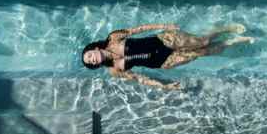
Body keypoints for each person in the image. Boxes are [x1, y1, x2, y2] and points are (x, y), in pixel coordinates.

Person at [81, 22, 252, 90]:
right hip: (164, 61)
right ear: (95, 65)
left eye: (89, 55)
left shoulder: (113, 38)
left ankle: (222, 30)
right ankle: (231, 42)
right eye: (90, 62)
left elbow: (138, 29)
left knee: (202, 41)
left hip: (164, 40)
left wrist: (163, 25)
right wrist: (164, 86)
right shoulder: (114, 70)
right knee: (203, 52)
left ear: (94, 48)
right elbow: (140, 78)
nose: (92, 59)